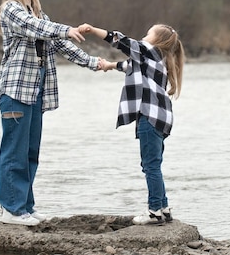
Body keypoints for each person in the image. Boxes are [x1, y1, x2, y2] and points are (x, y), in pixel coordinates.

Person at [0, 0, 106, 226]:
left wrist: (95, 63)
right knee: (14, 152)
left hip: (35, 94)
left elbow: (61, 44)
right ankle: (11, 209)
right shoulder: (11, 10)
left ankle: (25, 207)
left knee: (31, 152)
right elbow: (40, 29)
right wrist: (66, 29)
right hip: (15, 91)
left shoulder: (37, 13)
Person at [78, 23, 185, 225]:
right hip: (161, 118)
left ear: (157, 40)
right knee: (154, 164)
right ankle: (163, 208)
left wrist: (92, 30)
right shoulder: (158, 58)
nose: (144, 36)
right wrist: (109, 65)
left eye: (148, 33)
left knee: (150, 166)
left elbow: (119, 40)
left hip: (149, 116)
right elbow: (129, 66)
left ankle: (154, 212)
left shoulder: (148, 50)